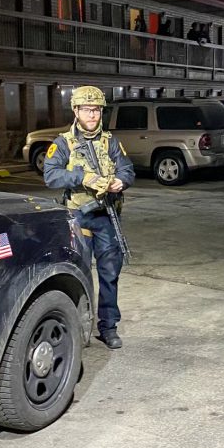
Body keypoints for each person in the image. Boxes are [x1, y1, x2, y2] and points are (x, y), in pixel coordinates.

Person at [44, 86, 136, 349]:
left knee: (110, 274)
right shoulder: (63, 143)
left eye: (96, 109)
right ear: (76, 111)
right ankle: (77, 328)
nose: (92, 114)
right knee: (79, 274)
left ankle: (108, 327)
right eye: (87, 109)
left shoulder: (111, 142)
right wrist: (83, 177)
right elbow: (51, 175)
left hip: (106, 217)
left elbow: (128, 169)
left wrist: (120, 181)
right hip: (78, 218)